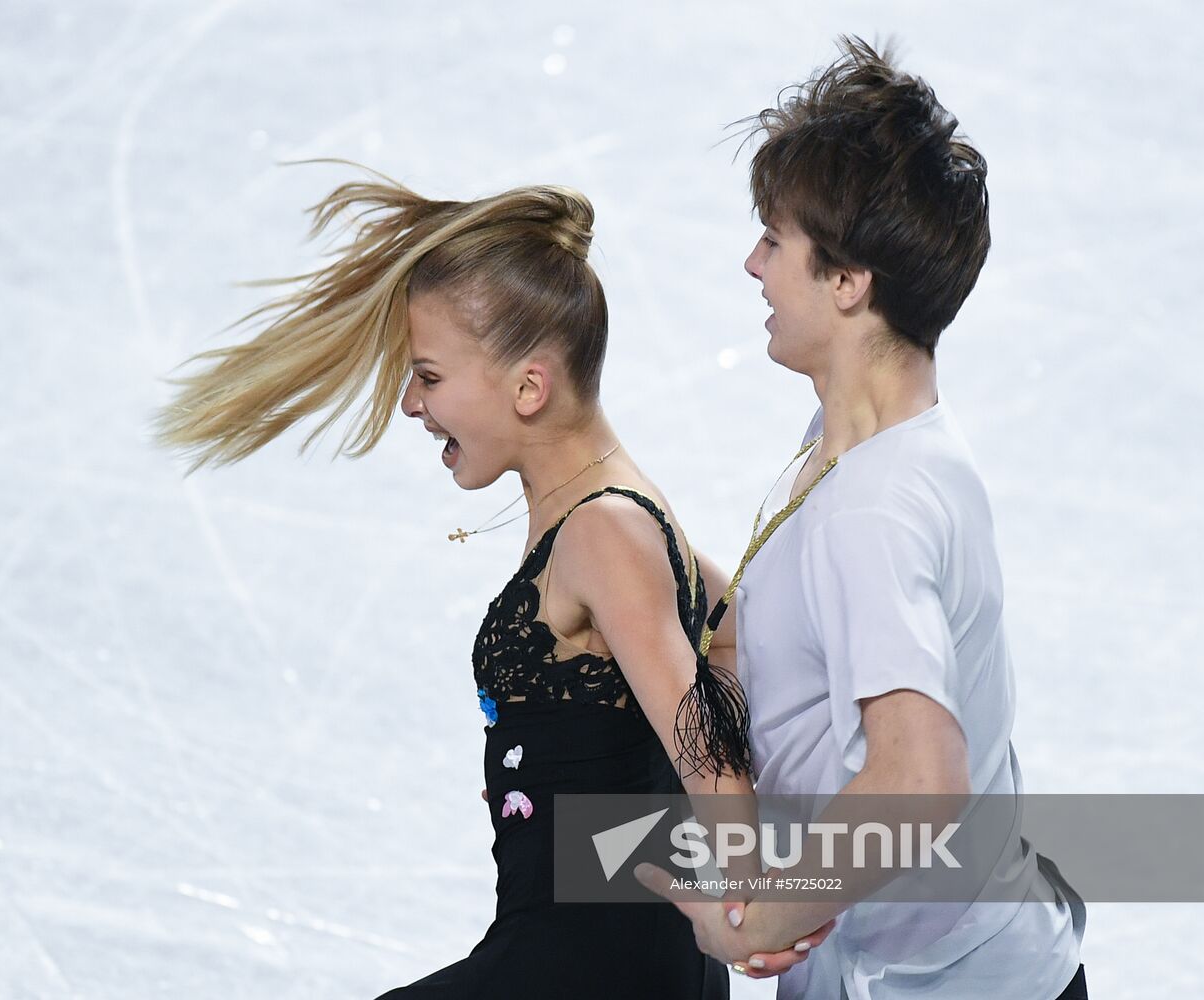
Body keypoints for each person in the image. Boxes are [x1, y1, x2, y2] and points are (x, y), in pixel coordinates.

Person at [153, 166, 826, 996]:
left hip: (584, 967)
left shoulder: (602, 529)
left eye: (429, 377)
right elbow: (722, 632)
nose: (409, 404)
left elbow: (696, 735)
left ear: (528, 387)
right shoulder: (613, 511)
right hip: (596, 946)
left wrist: (741, 897)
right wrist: (572, 780)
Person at [637, 37, 1088, 999]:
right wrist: (645, 551)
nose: (751, 263)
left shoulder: (874, 508)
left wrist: (758, 915)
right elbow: (797, 624)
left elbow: (918, 781)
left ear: (848, 281)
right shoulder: (854, 447)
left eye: (774, 239)